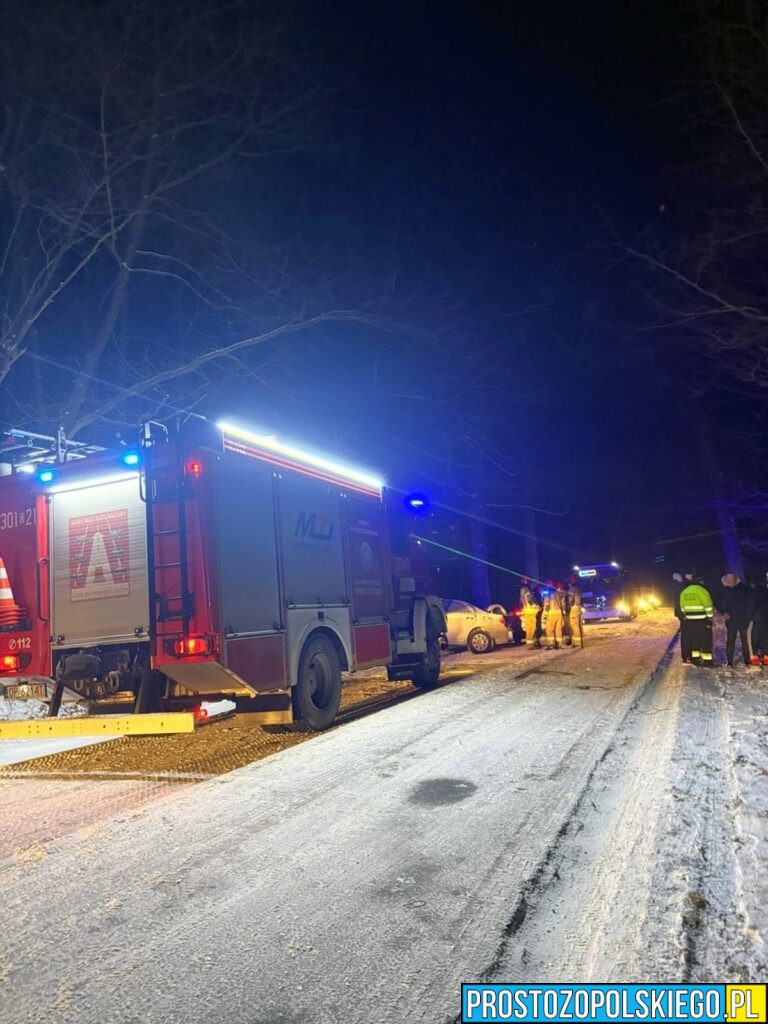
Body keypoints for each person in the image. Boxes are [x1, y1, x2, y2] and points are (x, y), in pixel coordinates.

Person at [717, 572, 753, 668]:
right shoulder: (724, 590)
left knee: (745, 640)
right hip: (731, 619)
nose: (730, 580)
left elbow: (749, 602)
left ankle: (747, 660)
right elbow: (718, 602)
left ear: (735, 578)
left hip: (743, 618)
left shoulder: (743, 588)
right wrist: (723, 612)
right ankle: (729, 661)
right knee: (730, 640)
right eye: (728, 578)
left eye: (732, 578)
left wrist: (749, 615)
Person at [679, 572, 714, 667]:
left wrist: (687, 615)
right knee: (706, 640)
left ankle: (695, 660)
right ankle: (707, 662)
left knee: (695, 640)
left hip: (690, 620)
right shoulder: (702, 590)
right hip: (702, 620)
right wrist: (710, 617)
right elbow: (708, 605)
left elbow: (682, 607)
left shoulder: (684, 591)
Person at [519, 577, 541, 649]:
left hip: (528, 611)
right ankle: (532, 644)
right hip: (530, 611)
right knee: (532, 628)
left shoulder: (522, 589)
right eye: (529, 581)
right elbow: (529, 599)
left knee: (531, 627)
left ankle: (535, 642)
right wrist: (535, 606)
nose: (530, 582)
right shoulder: (526, 589)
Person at [544, 581, 566, 650]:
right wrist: (563, 612)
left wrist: (545, 615)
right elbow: (563, 604)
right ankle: (559, 644)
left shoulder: (549, 594)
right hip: (559, 613)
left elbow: (547, 605)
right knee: (558, 629)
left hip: (551, 613)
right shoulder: (560, 594)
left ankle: (551, 644)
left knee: (550, 629)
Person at [567, 578, 584, 649]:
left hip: (574, 608)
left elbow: (571, 600)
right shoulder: (578, 589)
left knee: (574, 625)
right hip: (579, 608)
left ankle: (577, 643)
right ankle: (580, 642)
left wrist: (568, 605)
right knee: (579, 625)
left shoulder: (572, 589)